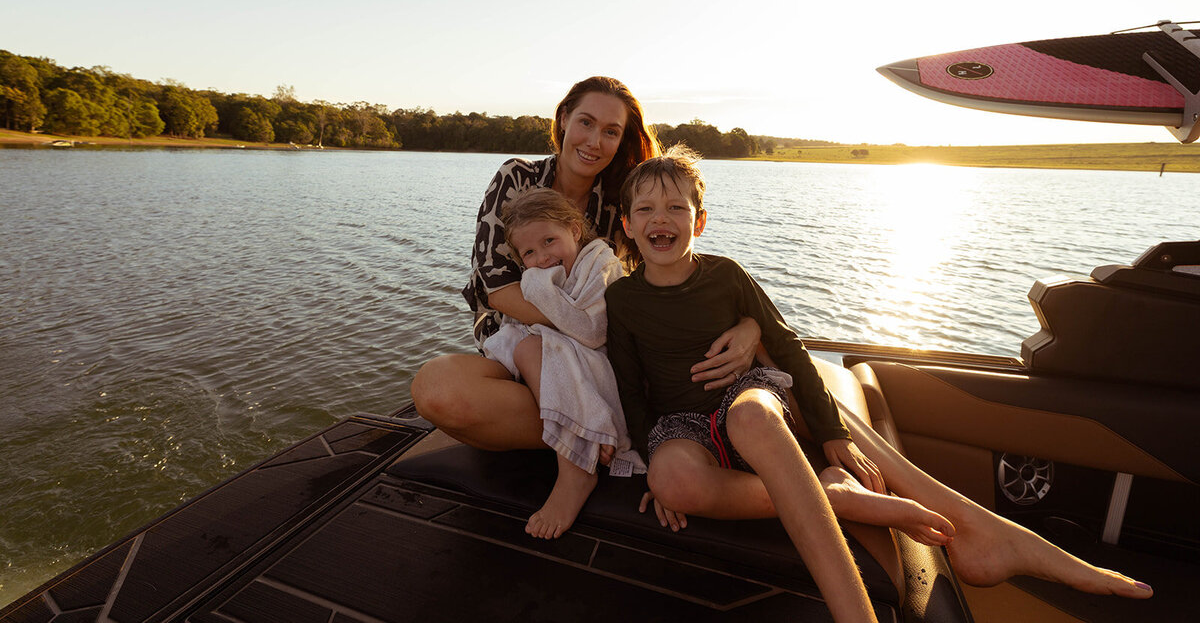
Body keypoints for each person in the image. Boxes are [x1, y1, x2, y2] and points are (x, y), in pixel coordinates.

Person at [607, 146, 1153, 607]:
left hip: (745, 399)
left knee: (752, 415)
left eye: (677, 207)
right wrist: (647, 461)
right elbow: (632, 390)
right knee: (672, 480)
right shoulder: (622, 300)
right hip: (683, 424)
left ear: (699, 220)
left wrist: (831, 433)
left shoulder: (726, 276)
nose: (662, 219)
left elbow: (789, 349)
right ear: (627, 225)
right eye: (647, 209)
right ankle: (834, 498)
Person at [411, 77, 761, 460]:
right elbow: (496, 287)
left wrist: (750, 326)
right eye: (586, 122)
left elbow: (670, 276)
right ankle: (598, 432)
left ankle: (586, 431)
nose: (594, 141)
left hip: (599, 365)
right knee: (436, 388)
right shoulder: (517, 178)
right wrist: (582, 325)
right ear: (564, 119)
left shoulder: (622, 200)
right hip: (519, 357)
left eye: (611, 131)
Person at [481, 187, 641, 539]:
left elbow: (593, 330)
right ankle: (583, 433)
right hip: (567, 360)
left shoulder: (601, 263)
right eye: (529, 253)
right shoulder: (542, 273)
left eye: (550, 241)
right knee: (521, 348)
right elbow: (521, 328)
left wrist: (539, 291)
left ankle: (575, 471)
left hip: (604, 363)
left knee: (527, 350)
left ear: (574, 229)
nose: (542, 258)